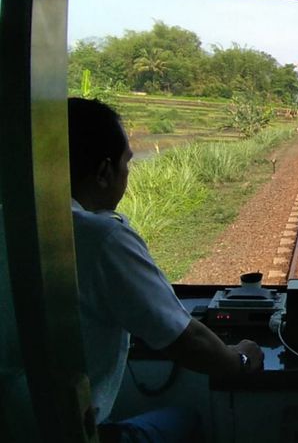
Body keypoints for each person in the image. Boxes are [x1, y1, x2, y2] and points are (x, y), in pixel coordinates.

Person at [68, 98, 264, 442]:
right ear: (103, 172)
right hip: (79, 434)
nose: (128, 173)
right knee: (187, 420)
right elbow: (188, 342)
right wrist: (241, 361)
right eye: (127, 163)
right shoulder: (101, 237)